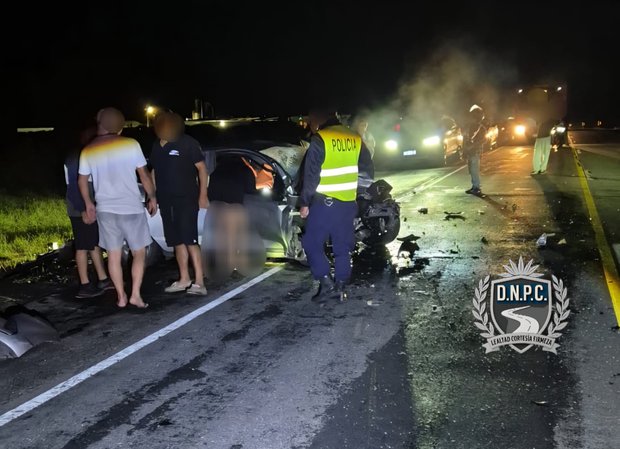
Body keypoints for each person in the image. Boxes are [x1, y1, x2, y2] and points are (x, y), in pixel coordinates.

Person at [78, 107, 157, 309]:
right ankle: (135, 295)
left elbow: (82, 180)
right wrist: (152, 197)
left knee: (113, 255)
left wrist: (88, 204)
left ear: (101, 125)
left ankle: (121, 296)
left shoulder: (88, 150)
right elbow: (144, 174)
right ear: (119, 126)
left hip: (105, 210)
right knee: (139, 252)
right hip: (131, 208)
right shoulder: (131, 144)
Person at [300, 108, 374, 302]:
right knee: (342, 246)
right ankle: (341, 286)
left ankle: (326, 283)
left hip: (325, 203)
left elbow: (311, 176)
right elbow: (367, 171)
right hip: (348, 204)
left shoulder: (320, 139)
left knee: (311, 242)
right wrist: (356, 194)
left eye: (311, 121)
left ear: (318, 120)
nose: (310, 125)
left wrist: (304, 202)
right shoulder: (355, 137)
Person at [150, 111, 209, 295]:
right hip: (166, 200)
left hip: (186, 199)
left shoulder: (187, 143)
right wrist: (152, 196)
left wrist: (203, 195)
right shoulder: (156, 145)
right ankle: (184, 279)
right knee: (176, 240)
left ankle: (199, 283)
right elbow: (154, 171)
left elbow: (202, 169)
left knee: (190, 240)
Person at [64, 125, 112, 298]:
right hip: (80, 210)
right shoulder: (77, 157)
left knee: (93, 243)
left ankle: (103, 279)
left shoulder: (86, 154)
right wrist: (83, 209)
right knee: (83, 246)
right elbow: (73, 188)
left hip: (87, 207)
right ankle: (85, 285)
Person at [206, 156, 257, 279]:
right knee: (233, 238)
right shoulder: (244, 170)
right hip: (234, 206)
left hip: (216, 206)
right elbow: (251, 190)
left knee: (220, 238)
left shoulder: (216, 171)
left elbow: (210, 191)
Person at [463, 105, 487, 197]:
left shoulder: (480, 128)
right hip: (471, 151)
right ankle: (474, 186)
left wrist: (472, 146)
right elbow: (466, 138)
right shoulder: (471, 127)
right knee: (471, 170)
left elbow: (483, 140)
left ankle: (477, 187)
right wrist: (465, 150)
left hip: (475, 152)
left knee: (474, 170)